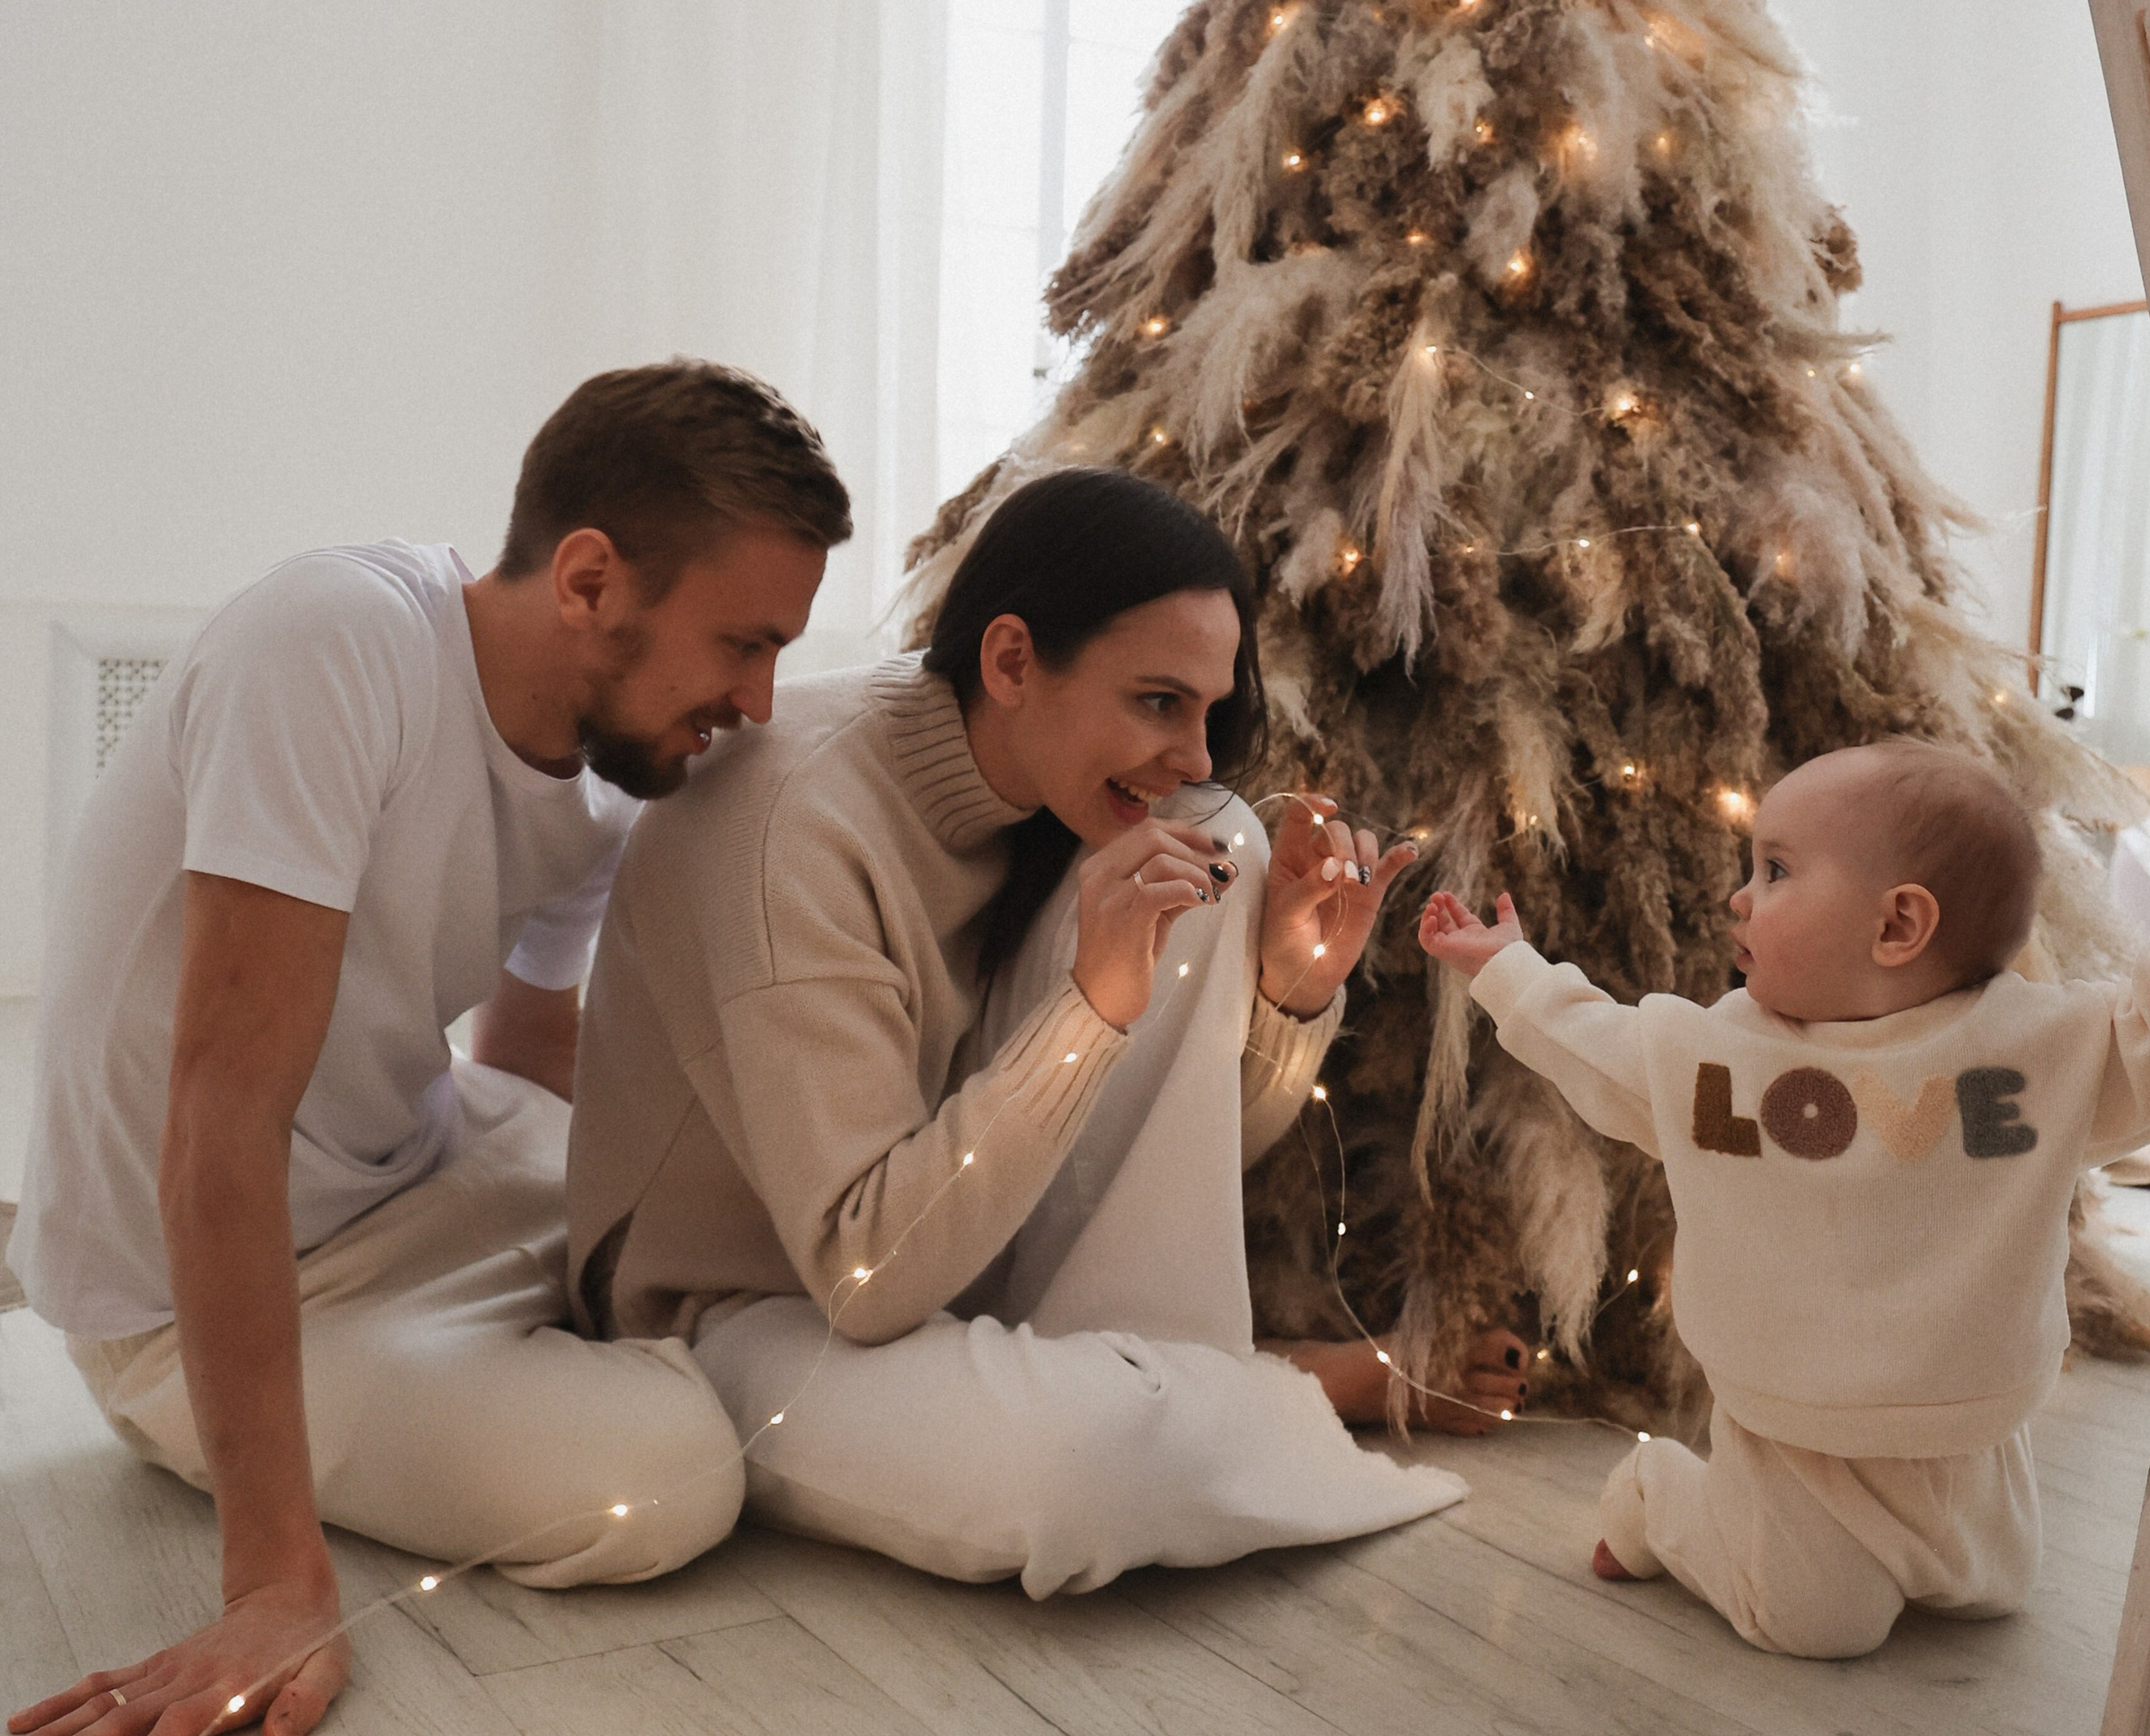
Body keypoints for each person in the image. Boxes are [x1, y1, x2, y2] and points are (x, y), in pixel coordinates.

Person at [4, 361, 847, 1736]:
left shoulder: (602, 772)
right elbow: (223, 1115)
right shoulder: (336, 645)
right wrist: (272, 1580)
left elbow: (527, 1054)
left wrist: (618, 1242)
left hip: (424, 1163)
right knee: (664, 1485)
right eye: (743, 643)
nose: (759, 702)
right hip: (190, 1279)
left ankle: (549, 1353)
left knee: (734, 1229)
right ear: (588, 579)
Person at [569, 468, 1506, 1596]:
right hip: (742, 1313)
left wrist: (1290, 992)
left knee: (1219, 847)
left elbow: (1170, 1156)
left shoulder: (1068, 802)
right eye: (1159, 702)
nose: (1197, 755)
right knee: (1089, 1471)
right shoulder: (792, 822)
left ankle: (1192, 1386)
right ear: (1010, 662)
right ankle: (1260, 1388)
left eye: (1209, 710)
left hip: (954, 1259)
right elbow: (865, 1275)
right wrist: (1092, 1009)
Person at [1420, 740, 2150, 1659]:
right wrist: (1507, 970)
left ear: (1897, 925)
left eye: (1775, 871)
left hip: (1967, 1411)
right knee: (1819, 1624)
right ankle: (1662, 1494)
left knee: (1991, 1593)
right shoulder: (1731, 1057)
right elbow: (1604, 1047)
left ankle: (1905, 1546)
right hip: (1796, 1416)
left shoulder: (2028, 1051)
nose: (1738, 897)